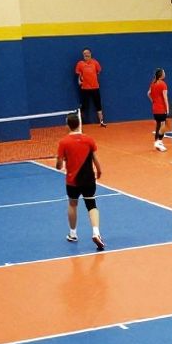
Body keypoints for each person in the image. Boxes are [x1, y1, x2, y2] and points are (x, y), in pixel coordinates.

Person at [56, 112, 105, 251]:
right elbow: (95, 158)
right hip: (89, 179)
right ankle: (96, 232)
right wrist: (99, 171)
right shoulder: (89, 140)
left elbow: (59, 166)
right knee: (92, 205)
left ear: (68, 125)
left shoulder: (63, 142)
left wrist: (60, 162)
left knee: (72, 204)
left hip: (72, 181)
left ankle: (73, 234)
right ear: (79, 124)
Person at [75, 48, 105, 127]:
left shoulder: (95, 62)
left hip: (95, 88)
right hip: (84, 89)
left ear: (90, 54)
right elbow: (79, 75)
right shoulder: (80, 64)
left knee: (98, 105)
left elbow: (98, 72)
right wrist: (79, 81)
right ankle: (80, 123)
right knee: (83, 106)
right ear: (83, 55)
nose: (86, 54)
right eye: (85, 53)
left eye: (87, 53)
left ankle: (101, 122)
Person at [147, 68, 170, 152]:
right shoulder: (163, 84)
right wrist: (167, 108)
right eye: (164, 72)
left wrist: (153, 101)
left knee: (158, 125)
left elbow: (148, 93)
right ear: (161, 75)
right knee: (163, 125)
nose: (165, 74)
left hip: (155, 107)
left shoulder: (153, 83)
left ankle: (157, 142)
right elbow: (165, 97)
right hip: (161, 108)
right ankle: (159, 142)